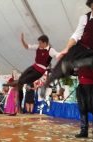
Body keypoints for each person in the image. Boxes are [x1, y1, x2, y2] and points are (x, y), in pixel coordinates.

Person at [42, 0, 93, 138]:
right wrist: (66, 49)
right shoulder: (85, 18)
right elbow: (76, 36)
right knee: (83, 99)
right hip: (84, 57)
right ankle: (83, 130)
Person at [18, 33, 59, 111]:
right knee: (21, 78)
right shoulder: (38, 47)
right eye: (39, 43)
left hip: (41, 70)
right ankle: (21, 89)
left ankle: (27, 85)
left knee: (25, 79)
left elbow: (57, 55)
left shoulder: (51, 50)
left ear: (45, 43)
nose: (39, 44)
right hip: (34, 66)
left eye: (40, 43)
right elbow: (27, 46)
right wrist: (22, 40)